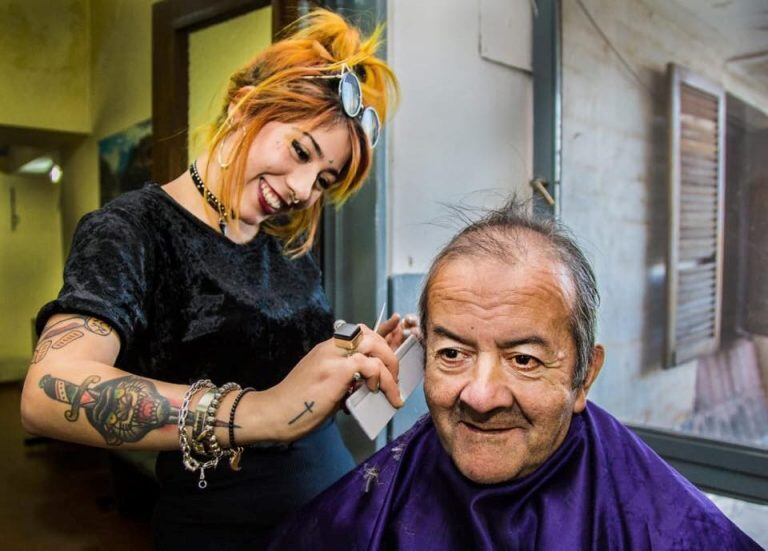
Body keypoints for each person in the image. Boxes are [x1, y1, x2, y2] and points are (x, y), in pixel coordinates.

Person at [20, 9, 409, 549]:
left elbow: (279, 367)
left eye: (322, 179)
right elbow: (45, 392)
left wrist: (346, 367)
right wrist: (266, 411)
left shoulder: (286, 247)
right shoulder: (133, 230)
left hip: (331, 518)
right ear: (244, 105)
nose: (301, 189)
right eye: (300, 151)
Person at [268, 200, 760, 550]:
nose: (480, 397)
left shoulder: (667, 526)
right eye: (453, 353)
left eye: (523, 360)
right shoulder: (358, 515)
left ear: (583, 377)